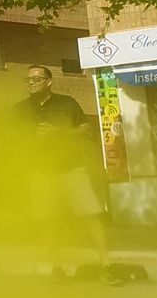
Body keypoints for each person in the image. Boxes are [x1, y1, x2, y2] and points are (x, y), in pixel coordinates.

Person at [15, 65, 120, 285]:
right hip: (40, 172)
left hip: (72, 168)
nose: (31, 83)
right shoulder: (20, 109)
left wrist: (60, 133)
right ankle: (56, 267)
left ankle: (106, 266)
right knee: (48, 220)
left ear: (49, 82)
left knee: (91, 215)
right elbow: (11, 139)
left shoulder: (67, 103)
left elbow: (86, 129)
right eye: (28, 80)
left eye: (36, 79)